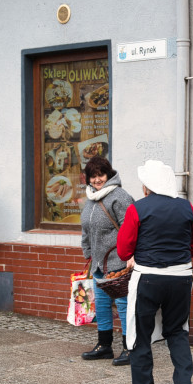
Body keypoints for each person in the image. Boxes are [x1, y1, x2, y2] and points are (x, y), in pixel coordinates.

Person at [117, 159, 193, 384]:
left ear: (147, 187)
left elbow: (123, 250)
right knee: (177, 331)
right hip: (181, 278)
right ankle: (183, 383)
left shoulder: (137, 209)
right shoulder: (186, 207)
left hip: (148, 278)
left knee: (140, 337)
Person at [80, 156, 134, 365]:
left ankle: (130, 348)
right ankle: (104, 346)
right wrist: (87, 252)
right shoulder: (91, 198)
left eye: (100, 175)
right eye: (92, 176)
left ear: (108, 175)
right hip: (99, 263)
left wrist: (130, 255)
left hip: (118, 261)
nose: (96, 180)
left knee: (123, 305)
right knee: (101, 304)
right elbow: (86, 229)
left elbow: (131, 228)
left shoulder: (119, 197)